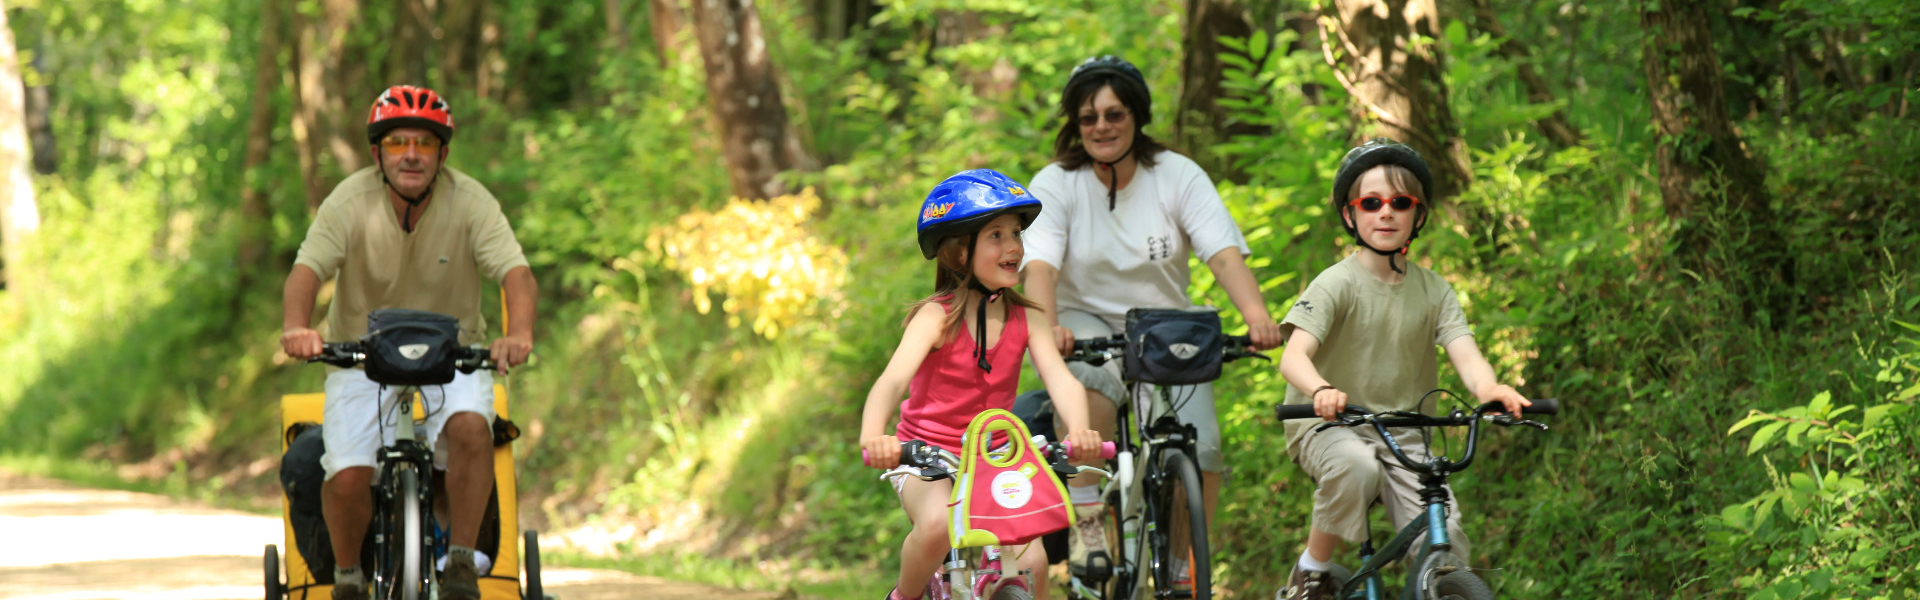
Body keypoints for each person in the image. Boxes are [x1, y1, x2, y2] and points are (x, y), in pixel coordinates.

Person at [1018, 55, 1282, 586]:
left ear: (1136, 116)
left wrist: (1257, 317)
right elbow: (1040, 269)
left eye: (1114, 114)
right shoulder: (1056, 183)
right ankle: (1088, 517)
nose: (1102, 127)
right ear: (1075, 124)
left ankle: (1184, 571)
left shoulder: (1176, 175)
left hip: (1164, 324)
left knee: (1201, 447)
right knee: (1086, 390)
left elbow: (1223, 252)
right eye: (1088, 117)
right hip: (1083, 319)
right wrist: (1047, 331)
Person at [279, 85, 538, 600]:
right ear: (378, 153)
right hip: (359, 358)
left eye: (424, 143)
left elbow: (516, 274)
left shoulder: (471, 201)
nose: (412, 154)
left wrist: (519, 334)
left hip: (454, 355)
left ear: (443, 152)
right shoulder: (349, 201)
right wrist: (297, 326)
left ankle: (461, 562)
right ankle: (349, 576)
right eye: (398, 143)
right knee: (349, 476)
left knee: (471, 428)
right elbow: (307, 269)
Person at [1272, 138, 1530, 600]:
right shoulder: (1337, 283)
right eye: (1371, 203)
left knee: (1443, 528)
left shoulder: (1434, 291)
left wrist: (1489, 388)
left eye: (1399, 202)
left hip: (1402, 427)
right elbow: (1293, 356)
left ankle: (1440, 583)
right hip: (1328, 422)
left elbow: (1465, 353)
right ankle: (1312, 570)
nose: (1385, 213)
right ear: (1351, 216)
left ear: (1418, 214)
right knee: (1354, 466)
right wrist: (1322, 389)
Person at [860, 169, 1106, 600]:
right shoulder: (935, 317)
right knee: (937, 526)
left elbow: (1062, 380)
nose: (1013, 246)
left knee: (1034, 562)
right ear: (958, 253)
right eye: (996, 236)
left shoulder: (1028, 317)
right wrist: (874, 436)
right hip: (925, 457)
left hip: (993, 459)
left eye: (1016, 233)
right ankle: (905, 595)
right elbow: (892, 380)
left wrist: (1081, 429)